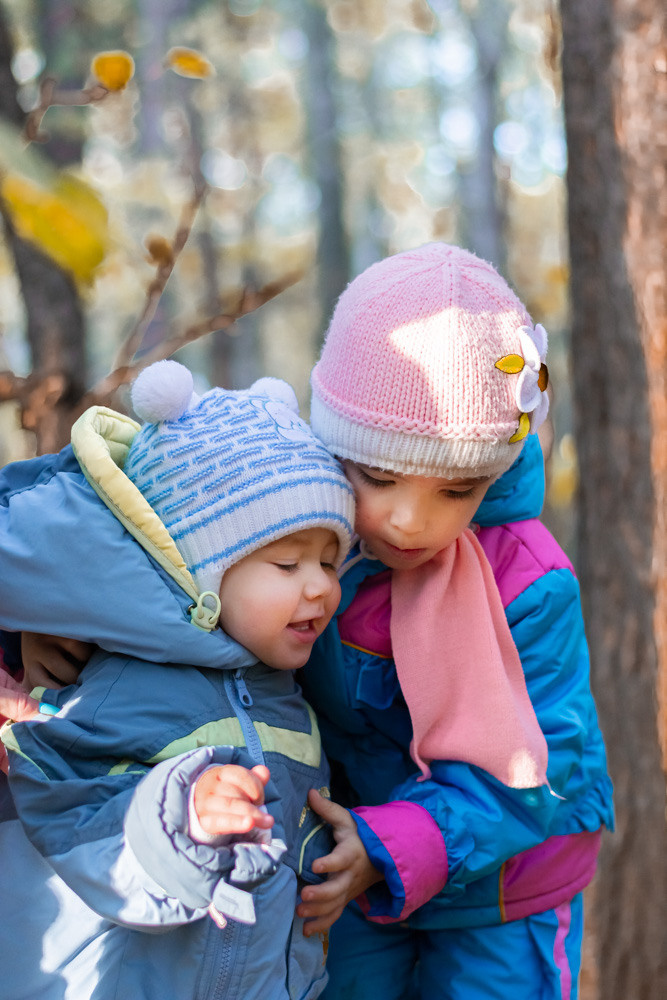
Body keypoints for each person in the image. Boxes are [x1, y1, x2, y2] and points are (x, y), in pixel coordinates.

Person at [290, 243, 613, 999]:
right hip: (353, 868)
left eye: (456, 490)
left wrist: (389, 843)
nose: (410, 522)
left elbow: (538, 766)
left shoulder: (527, 583)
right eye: (378, 477)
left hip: (504, 890)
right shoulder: (300, 542)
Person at [0, 360, 358, 1000]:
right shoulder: (119, 682)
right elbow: (67, 817)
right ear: (201, 572)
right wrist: (181, 820)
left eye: (331, 561)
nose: (320, 586)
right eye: (286, 561)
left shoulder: (286, 701)